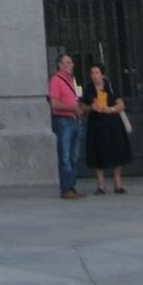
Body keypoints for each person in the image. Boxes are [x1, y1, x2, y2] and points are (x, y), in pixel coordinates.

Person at [82, 64, 132, 194]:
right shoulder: (88, 89)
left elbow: (121, 104)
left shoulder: (110, 86)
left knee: (117, 151)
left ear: (102, 74)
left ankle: (118, 184)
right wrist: (91, 107)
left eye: (97, 72)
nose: (94, 75)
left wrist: (110, 109)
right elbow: (82, 107)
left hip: (113, 124)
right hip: (96, 125)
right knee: (97, 153)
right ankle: (101, 186)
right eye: (92, 73)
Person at [47, 52, 84, 200]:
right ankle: (66, 189)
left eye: (71, 62)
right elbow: (54, 104)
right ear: (60, 65)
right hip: (64, 122)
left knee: (74, 157)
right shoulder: (56, 80)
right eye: (68, 62)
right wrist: (72, 108)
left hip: (75, 120)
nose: (71, 65)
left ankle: (71, 187)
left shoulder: (71, 81)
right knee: (65, 157)